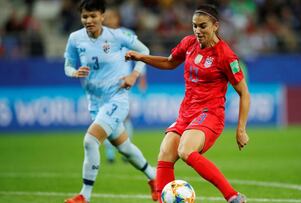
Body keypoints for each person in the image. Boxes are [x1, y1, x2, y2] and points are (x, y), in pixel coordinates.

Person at [125, 4, 250, 203]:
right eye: (194, 26)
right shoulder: (188, 43)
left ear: (215, 26)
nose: (198, 31)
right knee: (165, 151)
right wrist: (141, 57)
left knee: (185, 150)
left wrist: (241, 129)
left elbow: (244, 93)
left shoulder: (226, 55)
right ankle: (162, 200)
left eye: (203, 26)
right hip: (186, 113)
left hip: (210, 114)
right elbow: (169, 62)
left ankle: (233, 196)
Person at [63, 0, 157, 202]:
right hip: (94, 102)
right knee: (124, 147)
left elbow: (145, 51)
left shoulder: (116, 36)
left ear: (102, 16)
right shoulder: (75, 38)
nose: (88, 20)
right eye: (85, 16)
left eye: (93, 16)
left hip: (117, 97)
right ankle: (154, 177)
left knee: (90, 141)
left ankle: (84, 196)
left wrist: (134, 75)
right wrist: (74, 72)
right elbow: (68, 65)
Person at [102, 7, 147, 164]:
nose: (108, 20)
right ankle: (110, 153)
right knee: (107, 118)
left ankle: (126, 150)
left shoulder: (126, 34)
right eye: (106, 17)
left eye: (111, 17)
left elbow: (140, 54)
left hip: (124, 83)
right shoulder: (99, 36)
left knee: (125, 117)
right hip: (104, 84)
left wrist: (141, 76)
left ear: (117, 18)